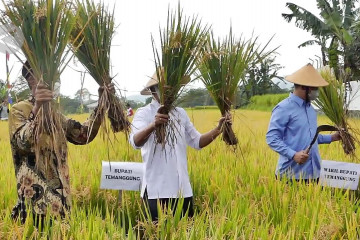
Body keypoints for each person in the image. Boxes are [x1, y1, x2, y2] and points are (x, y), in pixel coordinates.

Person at [9, 61, 111, 227]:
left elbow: (83, 134)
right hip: (34, 208)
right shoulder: (20, 110)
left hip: (62, 204)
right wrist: (37, 107)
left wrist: (102, 102)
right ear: (30, 79)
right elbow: (23, 142)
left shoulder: (56, 116)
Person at [129, 71, 231, 221]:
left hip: (183, 190)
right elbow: (135, 142)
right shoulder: (144, 113)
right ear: (153, 90)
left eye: (173, 88)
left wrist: (218, 129)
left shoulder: (180, 113)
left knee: (186, 233)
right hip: (156, 190)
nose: (170, 91)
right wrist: (153, 125)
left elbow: (197, 142)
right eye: (164, 87)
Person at [266, 64, 341, 183]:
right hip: (291, 176)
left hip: (314, 173)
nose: (317, 92)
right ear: (303, 87)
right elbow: (272, 138)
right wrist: (293, 154)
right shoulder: (283, 108)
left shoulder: (310, 109)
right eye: (314, 88)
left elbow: (310, 137)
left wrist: (332, 137)